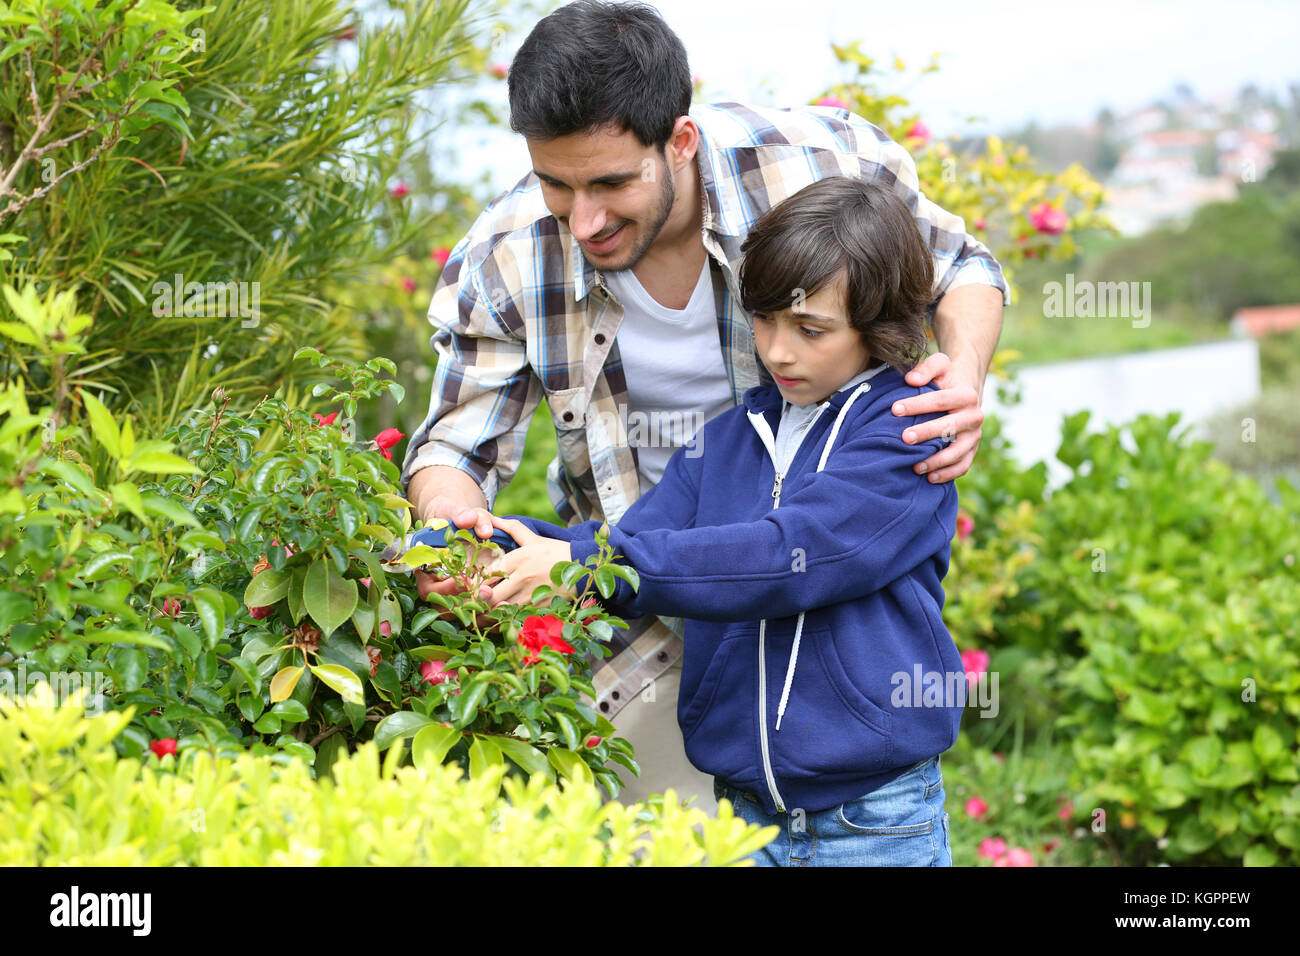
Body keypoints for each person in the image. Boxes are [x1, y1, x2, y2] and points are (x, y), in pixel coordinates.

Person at [398, 0, 1006, 813]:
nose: (584, 220)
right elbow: (454, 452)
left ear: (678, 141)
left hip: (806, 618)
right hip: (636, 590)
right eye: (556, 183)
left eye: (612, 182)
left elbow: (960, 263)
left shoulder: (814, 168)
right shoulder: (508, 257)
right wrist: (465, 542)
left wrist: (961, 370)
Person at [485, 175, 964, 866]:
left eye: (810, 329)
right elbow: (638, 546)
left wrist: (581, 568)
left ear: (879, 322)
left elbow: (788, 557)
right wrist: (492, 546)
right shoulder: (730, 438)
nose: (777, 351)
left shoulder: (905, 439)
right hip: (742, 815)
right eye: (764, 320)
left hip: (874, 816)